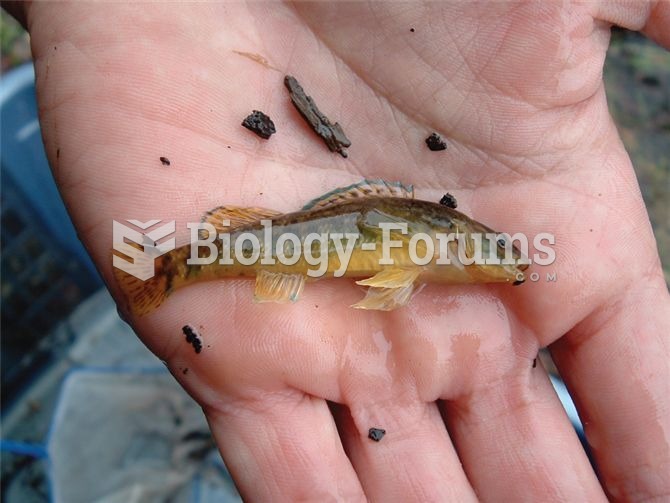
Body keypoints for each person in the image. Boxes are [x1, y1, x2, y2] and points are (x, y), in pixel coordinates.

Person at [7, 2, 669, 500]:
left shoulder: (440, 256)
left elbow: (398, 268)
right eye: (492, 252)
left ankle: (170, 271)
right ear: (455, 246)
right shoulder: (436, 250)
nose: (507, 263)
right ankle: (166, 272)